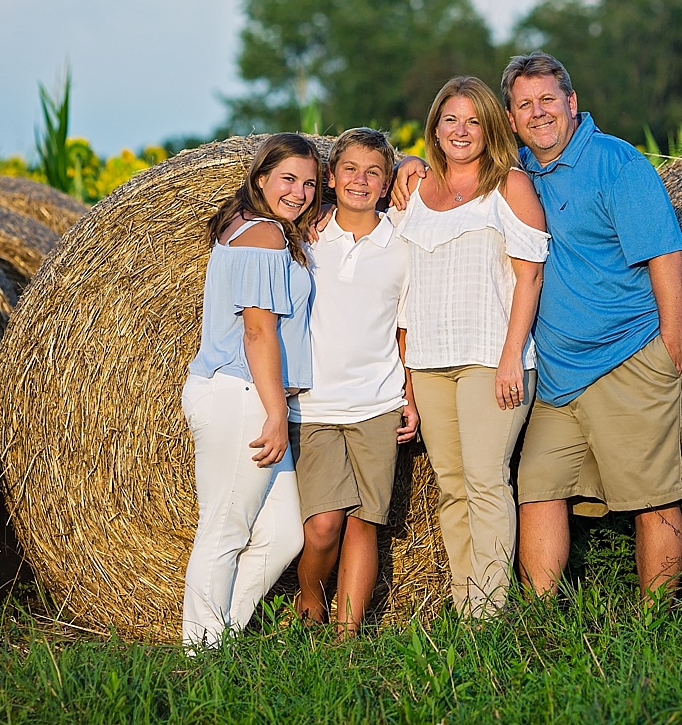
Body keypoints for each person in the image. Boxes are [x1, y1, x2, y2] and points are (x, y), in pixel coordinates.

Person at [394, 52, 682, 601]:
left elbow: (665, 254)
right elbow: (457, 157)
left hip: (628, 352)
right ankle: (537, 617)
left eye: (547, 101)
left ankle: (660, 623)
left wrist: (671, 347)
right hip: (560, 371)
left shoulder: (615, 162)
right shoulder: (518, 168)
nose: (538, 114)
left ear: (571, 103)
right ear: (509, 119)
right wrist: (405, 165)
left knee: (650, 495)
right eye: (524, 105)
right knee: (536, 486)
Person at [393, 76, 548, 616]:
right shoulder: (413, 191)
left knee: (486, 481)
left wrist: (512, 357)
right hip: (429, 361)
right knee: (451, 486)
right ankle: (468, 606)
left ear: (491, 127)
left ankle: (492, 614)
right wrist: (407, 381)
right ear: (435, 126)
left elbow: (529, 278)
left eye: (473, 121)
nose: (461, 131)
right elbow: (404, 293)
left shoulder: (508, 184)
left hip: (492, 360)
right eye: (450, 120)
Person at [181, 133, 323, 647]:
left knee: (285, 532)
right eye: (288, 179)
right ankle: (199, 654)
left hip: (246, 394)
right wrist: (276, 412)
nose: (300, 192)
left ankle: (221, 633)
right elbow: (258, 331)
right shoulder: (263, 235)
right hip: (241, 394)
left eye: (310, 183)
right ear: (260, 178)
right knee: (225, 529)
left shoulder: (260, 228)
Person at [290, 127, 419, 637]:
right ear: (330, 177)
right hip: (316, 405)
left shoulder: (403, 245)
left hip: (378, 403)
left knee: (366, 522)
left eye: (373, 172)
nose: (360, 181)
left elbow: (407, 331)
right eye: (350, 169)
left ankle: (347, 643)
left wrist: (409, 398)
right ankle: (309, 601)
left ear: (388, 184)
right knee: (322, 527)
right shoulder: (306, 237)